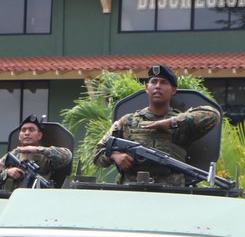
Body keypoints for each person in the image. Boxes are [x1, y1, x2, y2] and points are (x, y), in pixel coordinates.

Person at [91, 64, 220, 187]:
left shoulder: (183, 124)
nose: (158, 86)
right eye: (154, 82)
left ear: (173, 90)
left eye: (163, 82)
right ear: (147, 88)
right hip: (131, 191)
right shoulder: (127, 122)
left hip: (171, 193)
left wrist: (172, 122)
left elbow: (213, 115)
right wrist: (114, 156)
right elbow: (97, 153)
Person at [0, 115, 73, 193]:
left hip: (38, 199)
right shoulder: (12, 155)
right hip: (13, 200)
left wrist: (37, 149)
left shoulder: (46, 155)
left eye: (31, 130)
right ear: (19, 136)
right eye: (23, 130)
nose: (27, 133)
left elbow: (67, 156)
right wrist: (8, 172)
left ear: (39, 135)